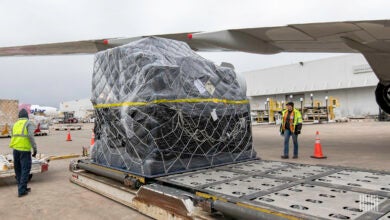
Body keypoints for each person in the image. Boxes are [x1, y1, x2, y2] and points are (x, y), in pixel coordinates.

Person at [9, 109, 38, 197]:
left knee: (18, 170)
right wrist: (35, 148)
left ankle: (22, 187)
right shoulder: (28, 123)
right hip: (24, 150)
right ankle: (21, 191)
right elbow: (30, 136)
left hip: (15, 149)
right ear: (27, 116)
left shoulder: (15, 124)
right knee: (25, 170)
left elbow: (12, 135)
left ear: (19, 116)